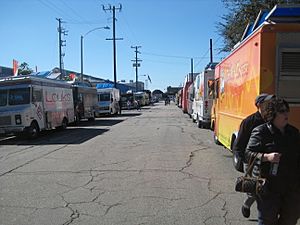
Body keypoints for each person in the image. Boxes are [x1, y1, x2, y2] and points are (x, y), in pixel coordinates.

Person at [245, 98, 300, 225]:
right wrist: (266, 157)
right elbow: (247, 154)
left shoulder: (293, 132)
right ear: (272, 114)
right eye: (282, 111)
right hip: (269, 187)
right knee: (267, 221)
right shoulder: (261, 131)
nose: (286, 114)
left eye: (287, 111)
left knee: (290, 219)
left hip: (291, 187)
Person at [232, 93, 274, 218]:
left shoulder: (272, 119)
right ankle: (247, 204)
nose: (271, 105)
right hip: (252, 161)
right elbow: (238, 145)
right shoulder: (249, 122)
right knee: (254, 190)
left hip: (269, 160)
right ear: (259, 105)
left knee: (268, 188)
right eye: (268, 102)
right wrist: (245, 161)